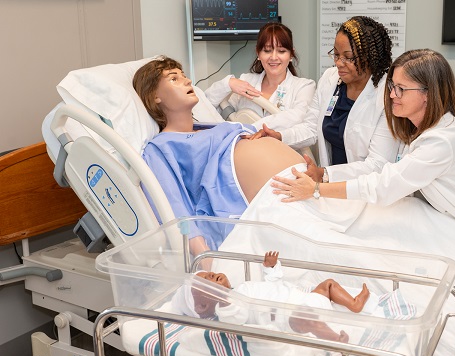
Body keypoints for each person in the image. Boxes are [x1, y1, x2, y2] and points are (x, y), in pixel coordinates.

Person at [271, 49, 455, 243]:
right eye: (392, 86)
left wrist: (317, 189)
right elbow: (383, 171)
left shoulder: (442, 140)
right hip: (452, 220)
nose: (392, 95)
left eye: (401, 89)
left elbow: (384, 185)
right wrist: (326, 174)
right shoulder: (420, 126)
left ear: (429, 93)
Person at [133, 56, 305, 254]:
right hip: (267, 208)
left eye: (184, 76)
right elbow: (174, 206)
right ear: (155, 96)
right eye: (174, 79)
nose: (187, 81)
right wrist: (203, 256)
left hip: (303, 188)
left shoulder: (211, 127)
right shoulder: (159, 147)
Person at [248, 16, 401, 184]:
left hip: (367, 189)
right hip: (328, 186)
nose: (339, 63)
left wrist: (325, 174)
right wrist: (280, 136)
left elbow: (378, 165)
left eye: (348, 57)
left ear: (370, 57)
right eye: (336, 54)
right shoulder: (330, 79)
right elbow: (311, 128)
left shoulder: (388, 96)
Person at [172, 251, 415, 342]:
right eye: (207, 282)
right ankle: (333, 338)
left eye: (211, 273)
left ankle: (354, 304)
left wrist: (271, 269)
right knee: (305, 318)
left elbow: (272, 284)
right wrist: (223, 301)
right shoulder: (230, 308)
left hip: (303, 298)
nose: (213, 275)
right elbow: (238, 318)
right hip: (287, 317)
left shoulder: (245, 286)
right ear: (204, 306)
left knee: (328, 284)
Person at [204, 22, 315, 132]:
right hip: (245, 149)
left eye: (281, 51)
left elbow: (297, 117)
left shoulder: (304, 86)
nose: (274, 57)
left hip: (283, 149)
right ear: (258, 53)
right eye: (267, 51)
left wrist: (250, 129)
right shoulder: (246, 81)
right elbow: (207, 108)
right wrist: (228, 83)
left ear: (291, 54)